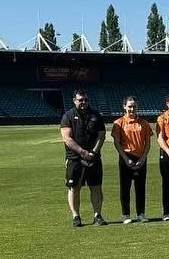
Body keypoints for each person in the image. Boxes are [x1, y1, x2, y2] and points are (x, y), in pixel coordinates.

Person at [60, 88, 107, 227]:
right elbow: (67, 138)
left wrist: (92, 152)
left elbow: (101, 135)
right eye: (80, 100)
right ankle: (76, 216)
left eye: (86, 100)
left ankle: (97, 215)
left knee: (96, 187)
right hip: (74, 158)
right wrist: (82, 152)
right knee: (74, 187)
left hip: (94, 158)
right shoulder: (68, 116)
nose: (83, 102)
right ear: (74, 101)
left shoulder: (96, 115)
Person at [111, 96, 151, 224]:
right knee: (125, 187)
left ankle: (141, 214)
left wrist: (143, 158)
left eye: (134, 106)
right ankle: (126, 215)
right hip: (125, 157)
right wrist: (125, 158)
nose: (132, 109)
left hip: (141, 158)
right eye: (129, 106)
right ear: (124, 107)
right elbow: (117, 143)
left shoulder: (144, 123)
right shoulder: (118, 123)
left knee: (140, 187)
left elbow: (147, 144)